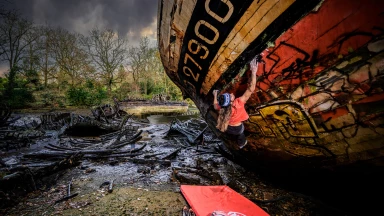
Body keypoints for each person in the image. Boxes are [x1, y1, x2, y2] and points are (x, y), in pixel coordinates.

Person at [212, 56, 259, 149]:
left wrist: (214, 95)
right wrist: (254, 72)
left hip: (228, 128)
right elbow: (251, 89)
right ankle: (242, 144)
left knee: (236, 134)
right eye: (231, 95)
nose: (232, 93)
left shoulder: (222, 108)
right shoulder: (238, 104)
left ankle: (239, 143)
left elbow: (215, 106)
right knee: (241, 135)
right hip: (238, 129)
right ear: (231, 102)